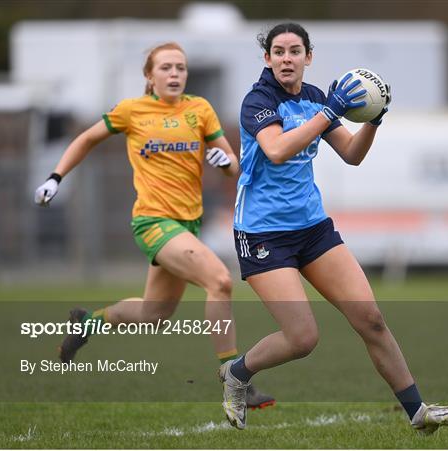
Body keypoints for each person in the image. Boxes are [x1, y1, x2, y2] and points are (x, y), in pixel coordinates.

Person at [219, 23, 448, 432]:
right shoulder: (258, 100)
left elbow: (352, 154)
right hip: (262, 233)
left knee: (370, 318)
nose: (286, 58)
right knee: (302, 338)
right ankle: (237, 373)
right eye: (278, 51)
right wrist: (330, 112)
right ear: (267, 59)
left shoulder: (316, 98)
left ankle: (418, 412)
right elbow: (277, 151)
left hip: (313, 228)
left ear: (308, 58)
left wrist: (373, 119)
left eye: (294, 51)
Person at [34, 42, 274, 409]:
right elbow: (85, 139)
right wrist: (55, 177)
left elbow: (233, 164)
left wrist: (222, 161)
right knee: (220, 281)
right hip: (152, 222)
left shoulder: (200, 109)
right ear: (149, 76)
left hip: (186, 226)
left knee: (154, 314)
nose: (175, 74)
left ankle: (87, 323)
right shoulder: (132, 110)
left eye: (180, 67)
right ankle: (233, 377)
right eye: (166, 68)